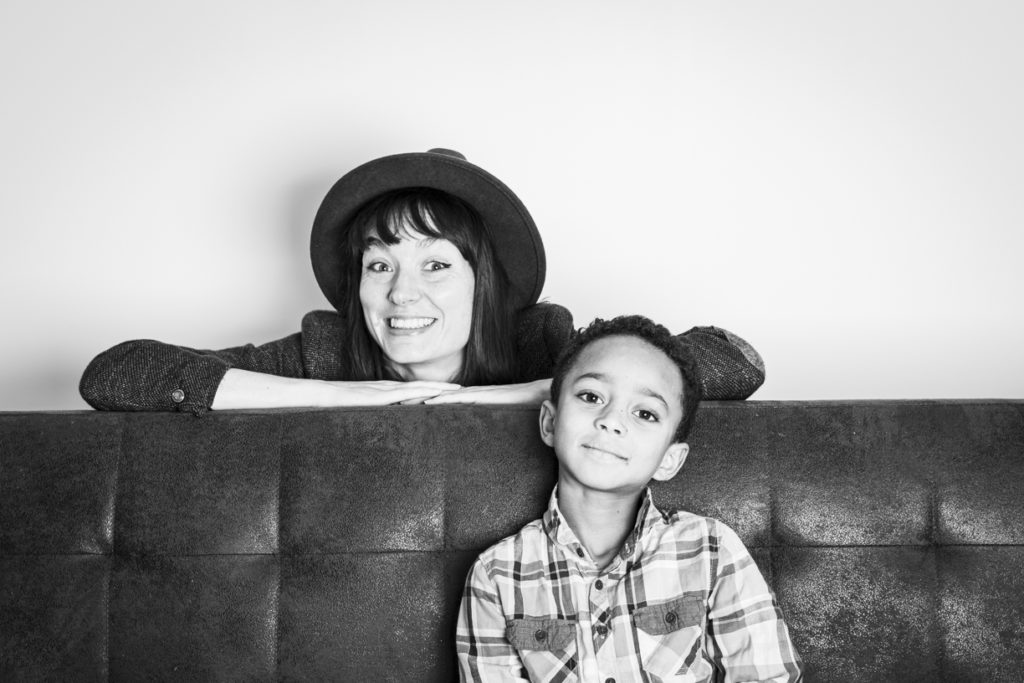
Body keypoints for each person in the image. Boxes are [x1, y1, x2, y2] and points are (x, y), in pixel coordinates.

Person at [79, 149, 766, 415]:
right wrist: (356, 396)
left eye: (435, 264)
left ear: (482, 282)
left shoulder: (548, 346)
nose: (401, 294)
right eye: (380, 265)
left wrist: (531, 394)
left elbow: (732, 357)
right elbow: (115, 374)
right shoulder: (324, 351)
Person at [456, 316, 802, 682]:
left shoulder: (711, 550)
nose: (611, 420)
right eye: (591, 397)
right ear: (549, 422)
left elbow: (767, 676)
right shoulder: (496, 574)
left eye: (645, 413)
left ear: (670, 460)